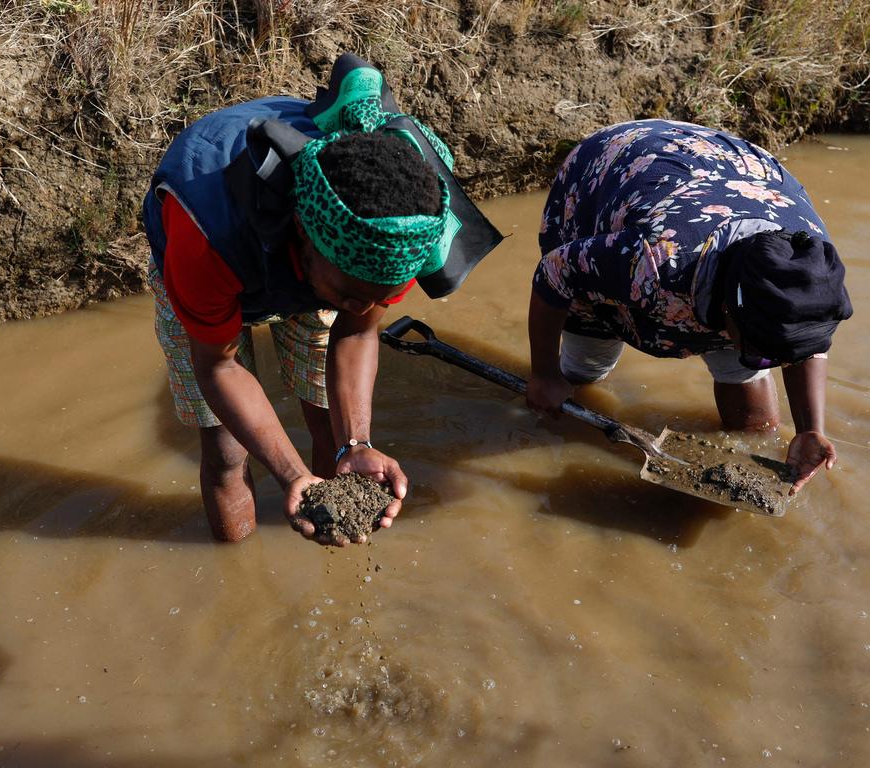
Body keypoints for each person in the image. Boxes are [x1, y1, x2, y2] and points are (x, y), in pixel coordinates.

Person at [142, 54, 501, 543]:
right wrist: (291, 475)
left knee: (332, 434)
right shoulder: (205, 236)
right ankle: (238, 563)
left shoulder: (394, 243)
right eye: (350, 294)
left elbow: (356, 331)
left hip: (313, 269)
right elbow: (218, 367)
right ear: (303, 236)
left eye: (377, 296)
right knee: (227, 450)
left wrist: (357, 444)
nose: (359, 307)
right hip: (220, 259)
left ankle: (329, 532)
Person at [525, 119, 852, 494]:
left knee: (754, 415)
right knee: (586, 369)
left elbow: (804, 342)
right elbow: (555, 272)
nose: (769, 362)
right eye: (763, 355)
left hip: (729, 170)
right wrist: (545, 374)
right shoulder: (653, 261)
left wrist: (811, 429)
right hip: (612, 169)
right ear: (730, 312)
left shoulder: (811, 263)